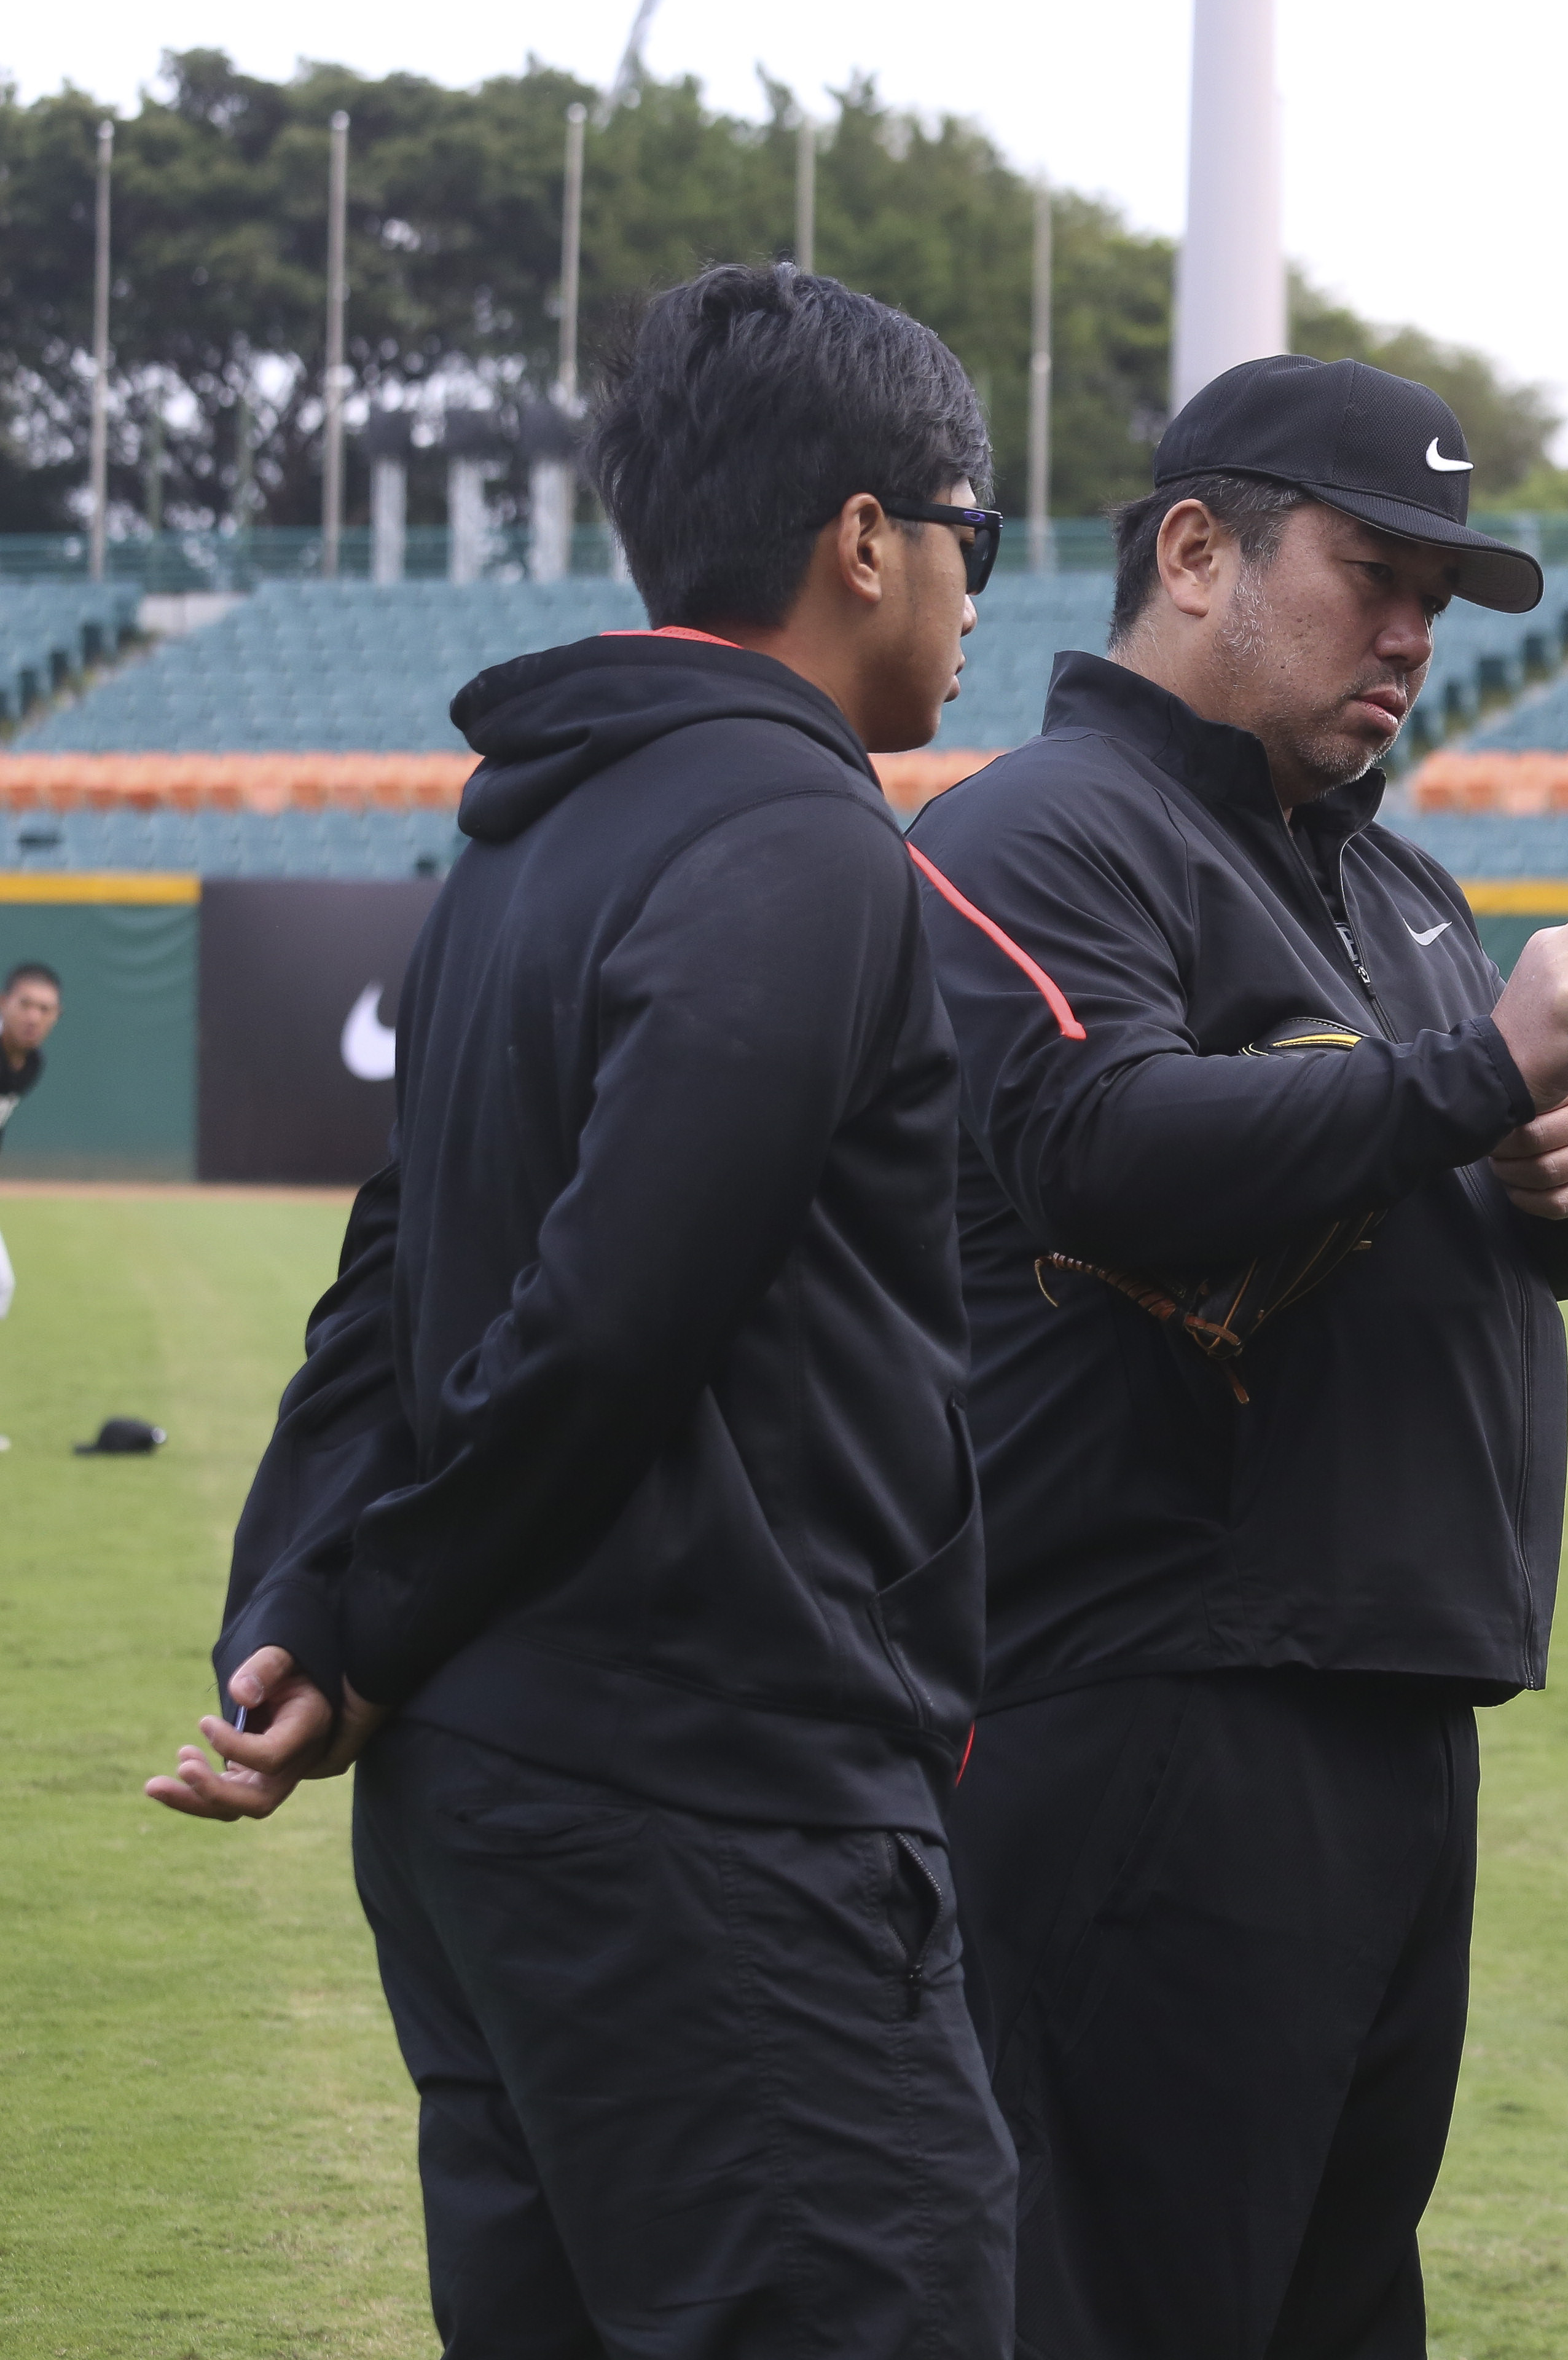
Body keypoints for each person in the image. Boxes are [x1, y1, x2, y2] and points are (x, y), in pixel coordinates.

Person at [143, 262, 1016, 2356]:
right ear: (867, 539)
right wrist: (345, 1623)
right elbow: (608, 1318)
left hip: (496, 1807)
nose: (985, 592)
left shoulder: (524, 845)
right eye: (975, 534)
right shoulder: (800, 841)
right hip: (711, 1812)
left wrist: (316, 1611)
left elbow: (389, 1287)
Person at [906, 353, 1568, 2359]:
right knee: (1143, 2307)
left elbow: (1532, 1193)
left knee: (1335, 2309)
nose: (1415, 636)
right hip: (1156, 1699)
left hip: (1387, 1710)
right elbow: (1097, 1147)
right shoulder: (1038, 832)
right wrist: (1478, 1072)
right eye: (1376, 575)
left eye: (1442, 597)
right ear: (1197, 549)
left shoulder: (1387, 874)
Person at [0, 960, 55, 1331]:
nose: (34, 1016)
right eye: (25, 1004)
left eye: (45, 1009)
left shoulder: (31, 1064)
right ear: (4, 1003)